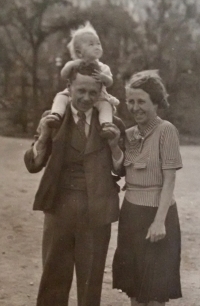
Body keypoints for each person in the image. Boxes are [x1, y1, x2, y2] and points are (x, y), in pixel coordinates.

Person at [24, 63, 124, 306]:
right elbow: (33, 164)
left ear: (101, 92)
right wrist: (46, 134)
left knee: (90, 284)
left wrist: (113, 145)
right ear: (69, 87)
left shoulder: (112, 123)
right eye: (80, 91)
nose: (86, 98)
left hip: (96, 213)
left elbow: (121, 170)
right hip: (59, 210)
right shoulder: (52, 119)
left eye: (93, 92)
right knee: (53, 281)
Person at [112, 70, 183, 306]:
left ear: (156, 102)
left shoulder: (166, 131)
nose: (135, 107)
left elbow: (169, 180)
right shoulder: (128, 134)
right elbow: (118, 170)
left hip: (158, 216)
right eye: (130, 101)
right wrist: (114, 145)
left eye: (141, 101)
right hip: (131, 216)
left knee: (154, 294)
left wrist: (159, 221)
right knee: (135, 289)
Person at [48, 21, 119, 138]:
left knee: (106, 106)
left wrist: (104, 78)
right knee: (60, 97)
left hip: (99, 96)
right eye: (91, 45)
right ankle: (56, 115)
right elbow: (63, 75)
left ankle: (106, 124)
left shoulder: (103, 67)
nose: (97, 47)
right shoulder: (74, 64)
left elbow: (110, 82)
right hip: (73, 94)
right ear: (79, 52)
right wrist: (70, 66)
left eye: (98, 43)